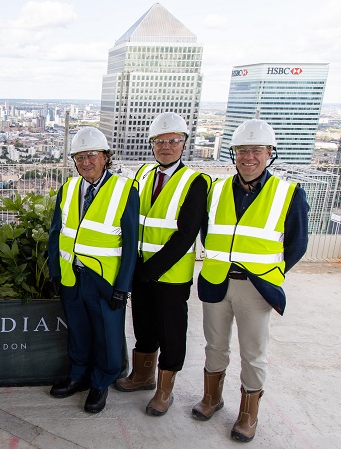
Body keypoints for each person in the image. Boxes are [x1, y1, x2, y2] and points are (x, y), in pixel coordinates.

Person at [192, 119, 309, 443]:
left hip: (256, 287)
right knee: (215, 345)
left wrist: (271, 272)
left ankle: (248, 415)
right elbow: (207, 231)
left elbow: (297, 244)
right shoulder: (216, 189)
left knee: (252, 352)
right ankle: (212, 398)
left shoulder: (288, 193)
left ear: (270, 153)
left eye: (257, 150)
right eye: (243, 150)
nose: (249, 156)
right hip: (217, 280)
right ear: (234, 154)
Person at [115, 112, 209, 416]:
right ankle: (143, 375)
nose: (166, 146)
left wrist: (149, 270)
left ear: (183, 144)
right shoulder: (142, 174)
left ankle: (164, 391)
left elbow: (185, 236)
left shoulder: (195, 181)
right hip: (140, 270)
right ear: (152, 144)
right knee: (143, 325)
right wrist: (134, 268)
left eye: (173, 141)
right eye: (159, 141)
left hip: (170, 275)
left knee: (171, 333)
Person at [47, 126, 139, 413]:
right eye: (79, 157)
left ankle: (101, 382)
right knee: (78, 332)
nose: (85, 162)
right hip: (72, 276)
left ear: (106, 157)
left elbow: (131, 242)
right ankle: (78, 376)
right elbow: (55, 234)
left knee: (108, 337)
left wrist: (123, 287)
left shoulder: (125, 190)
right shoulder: (69, 188)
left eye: (91, 155)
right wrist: (55, 272)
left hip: (105, 281)